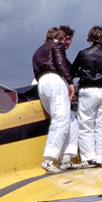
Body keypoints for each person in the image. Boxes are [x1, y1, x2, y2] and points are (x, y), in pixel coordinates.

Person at [70, 25, 102, 167]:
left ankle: (88, 158)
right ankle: (101, 158)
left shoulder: (83, 54)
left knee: (86, 125)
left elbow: (72, 71)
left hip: (87, 91)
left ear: (90, 38)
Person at [32, 27, 77, 172]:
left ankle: (66, 159)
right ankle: (48, 160)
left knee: (71, 121)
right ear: (59, 37)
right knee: (61, 119)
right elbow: (61, 63)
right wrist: (70, 82)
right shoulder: (57, 45)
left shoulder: (37, 52)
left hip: (42, 84)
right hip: (55, 82)